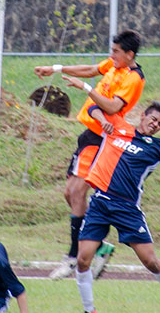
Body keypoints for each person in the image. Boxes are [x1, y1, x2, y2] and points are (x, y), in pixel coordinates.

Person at [73, 101, 160, 313]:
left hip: (127, 209)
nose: (155, 125)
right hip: (100, 202)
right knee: (83, 260)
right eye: (153, 120)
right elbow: (93, 106)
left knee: (151, 262)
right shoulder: (119, 126)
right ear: (142, 116)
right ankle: (89, 312)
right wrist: (103, 121)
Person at [35, 29, 145, 280]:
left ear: (129, 54)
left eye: (116, 51)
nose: (112, 55)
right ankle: (98, 245)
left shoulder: (133, 79)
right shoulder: (114, 66)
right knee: (69, 193)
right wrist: (55, 68)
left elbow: (114, 107)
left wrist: (85, 89)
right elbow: (91, 69)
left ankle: (73, 258)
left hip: (103, 138)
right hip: (89, 134)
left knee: (76, 193)